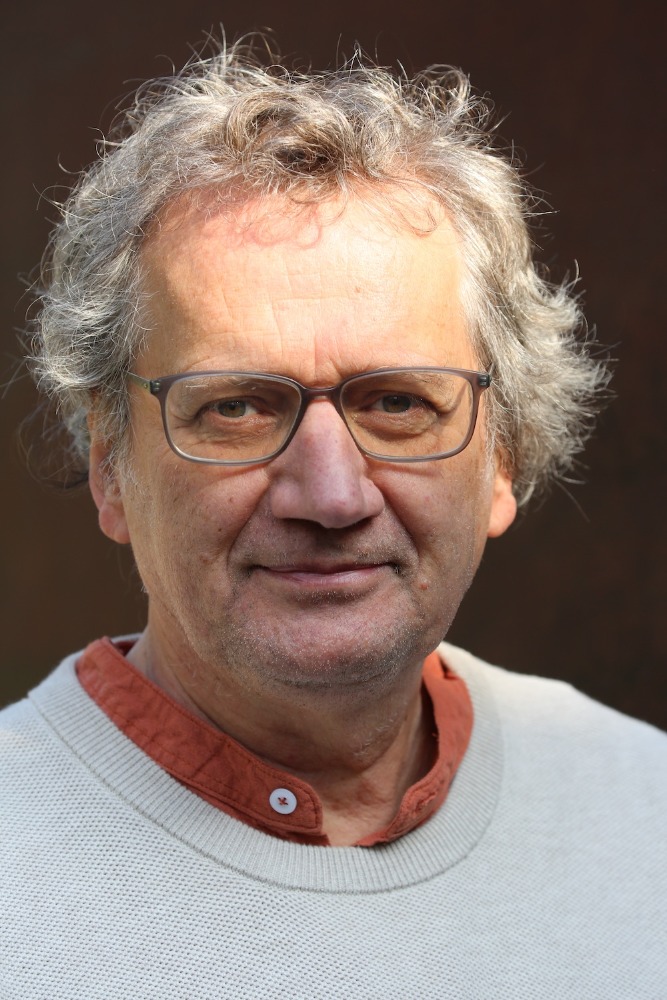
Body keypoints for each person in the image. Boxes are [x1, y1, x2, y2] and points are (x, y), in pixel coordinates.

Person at [1, 40, 665, 999]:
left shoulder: (642, 804)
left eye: (397, 402)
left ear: (503, 458)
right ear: (111, 467)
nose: (331, 495)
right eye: (235, 407)